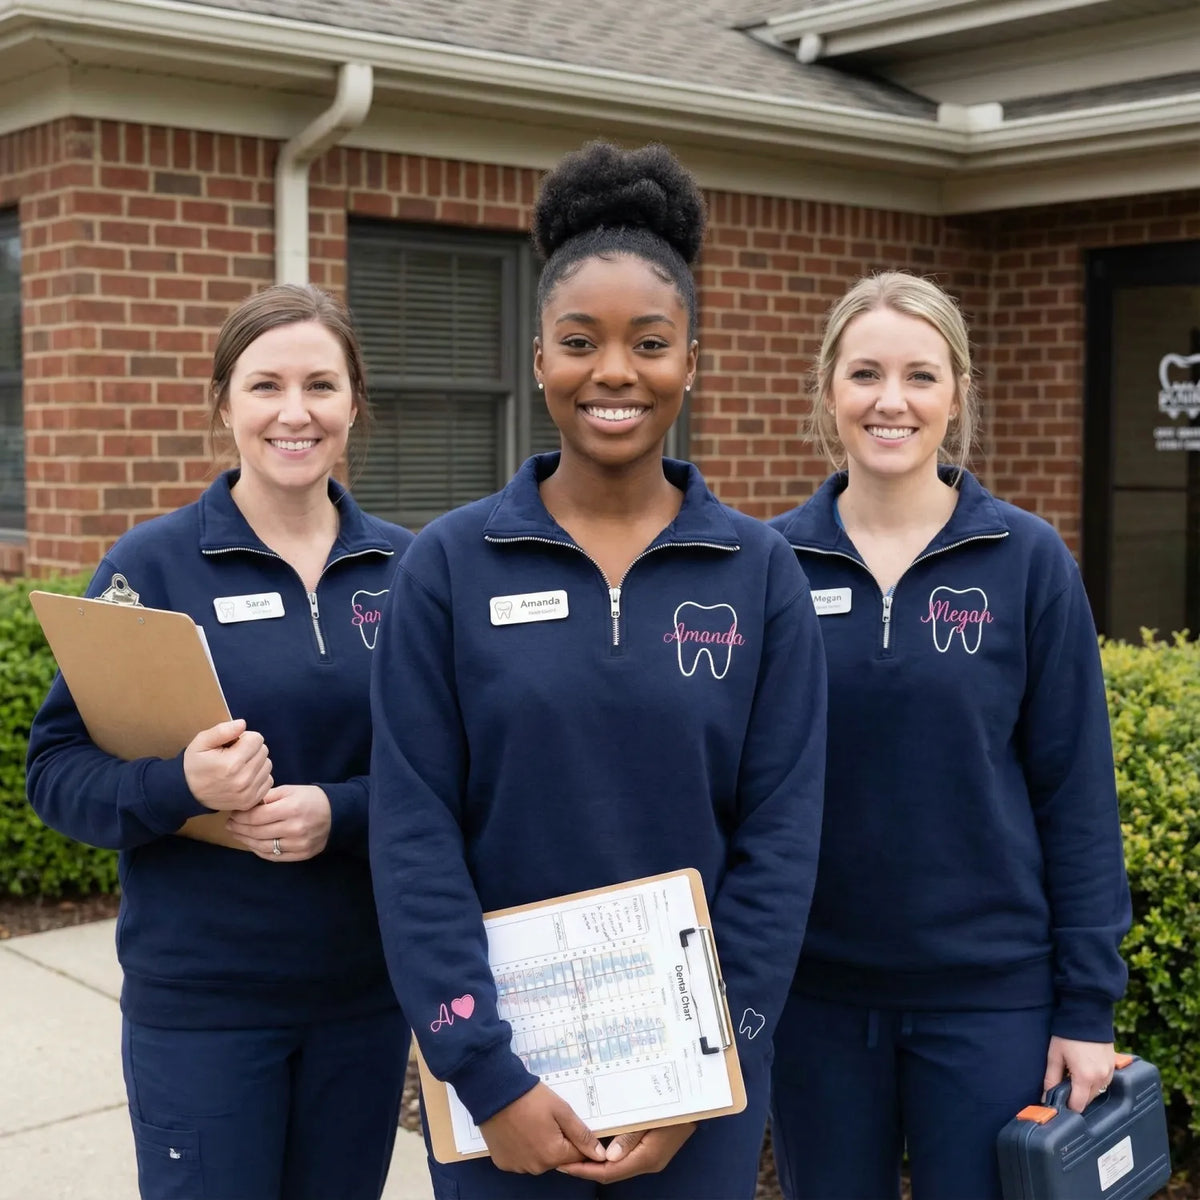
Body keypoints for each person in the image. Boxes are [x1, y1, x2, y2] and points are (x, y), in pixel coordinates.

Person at [368, 140, 827, 1199]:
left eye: (649, 343)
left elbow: (780, 841)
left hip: (693, 1097)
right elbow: (414, 833)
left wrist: (712, 1066)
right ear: (539, 359)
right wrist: (484, 1074)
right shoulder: (446, 567)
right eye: (580, 341)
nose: (613, 371)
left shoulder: (760, 577)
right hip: (504, 1099)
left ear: (691, 362)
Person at [26, 284, 413, 1200]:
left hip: (363, 998)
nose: (294, 412)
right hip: (203, 1006)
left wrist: (340, 810)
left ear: (354, 401)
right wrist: (180, 784)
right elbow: (56, 772)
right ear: (223, 405)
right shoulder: (149, 567)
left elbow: (458, 774)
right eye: (264, 385)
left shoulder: (411, 569)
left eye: (321, 385)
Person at [766, 271, 1131, 1200]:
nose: (892, 401)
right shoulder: (765, 566)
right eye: (866, 375)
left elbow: (1077, 794)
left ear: (958, 394)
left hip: (990, 1000)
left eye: (921, 376)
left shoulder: (1029, 562)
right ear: (828, 392)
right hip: (815, 997)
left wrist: (1086, 1007)